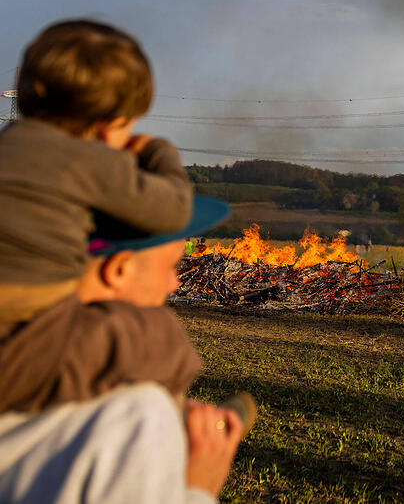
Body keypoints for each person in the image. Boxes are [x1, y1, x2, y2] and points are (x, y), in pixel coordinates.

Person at [0, 19, 200, 413]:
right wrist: (157, 152)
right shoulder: (90, 161)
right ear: (110, 127)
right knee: (155, 335)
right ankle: (178, 422)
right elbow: (175, 210)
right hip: (27, 337)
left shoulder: (7, 146)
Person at [0, 196, 243, 503]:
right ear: (119, 270)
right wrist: (198, 488)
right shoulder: (134, 419)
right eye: (171, 266)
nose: (174, 284)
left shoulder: (17, 354)